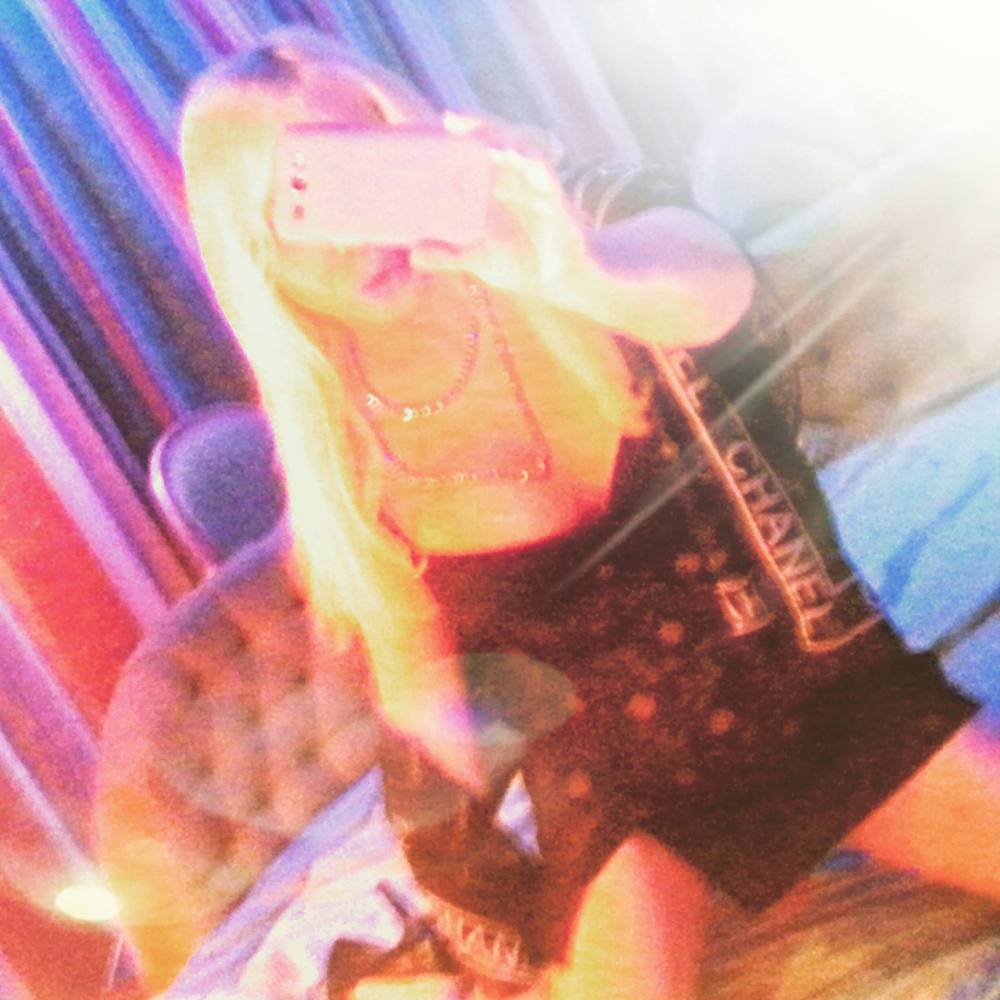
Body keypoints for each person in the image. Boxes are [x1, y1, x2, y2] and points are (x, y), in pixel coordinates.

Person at [178, 27, 998, 999]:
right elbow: (421, 690)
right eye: (299, 207)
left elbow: (718, 289)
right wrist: (469, 889)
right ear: (253, 252)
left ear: (416, 140)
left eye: (361, 171)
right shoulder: (344, 451)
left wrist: (575, 271)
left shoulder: (580, 224)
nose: (354, 240)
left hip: (827, 702)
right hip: (617, 797)